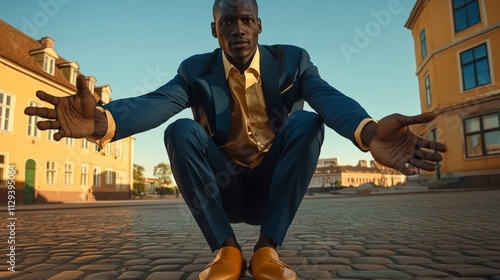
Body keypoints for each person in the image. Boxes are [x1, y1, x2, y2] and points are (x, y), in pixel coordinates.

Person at [25, 0, 447, 279]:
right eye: (228, 21)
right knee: (180, 129)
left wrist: (369, 132)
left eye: (246, 20)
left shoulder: (293, 61)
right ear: (214, 29)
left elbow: (326, 98)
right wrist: (103, 121)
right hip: (221, 185)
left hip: (271, 186)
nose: (238, 29)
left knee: (308, 124)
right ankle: (225, 250)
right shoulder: (195, 70)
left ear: (260, 25)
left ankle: (267, 251)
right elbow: (156, 103)